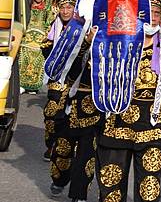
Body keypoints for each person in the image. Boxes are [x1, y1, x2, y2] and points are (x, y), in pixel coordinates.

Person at [95, 0, 161, 202]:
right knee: (111, 183)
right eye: (148, 13)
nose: (153, 17)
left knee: (149, 187)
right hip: (117, 120)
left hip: (153, 122)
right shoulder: (119, 41)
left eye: (157, 13)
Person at [49, 25, 100, 202]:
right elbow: (68, 67)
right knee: (63, 150)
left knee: (86, 155)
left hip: (95, 105)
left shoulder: (113, 37)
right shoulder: (76, 31)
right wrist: (86, 42)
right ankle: (59, 180)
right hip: (71, 101)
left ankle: (79, 195)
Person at [41, 0, 76, 162]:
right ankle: (51, 144)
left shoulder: (79, 28)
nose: (66, 11)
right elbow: (45, 46)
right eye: (63, 7)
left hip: (74, 80)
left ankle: (64, 148)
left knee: (69, 117)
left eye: (69, 7)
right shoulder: (54, 27)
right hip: (57, 78)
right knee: (51, 112)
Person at [19, 0, 53, 94]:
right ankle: (22, 84)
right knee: (24, 61)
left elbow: (49, 22)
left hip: (39, 40)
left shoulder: (47, 8)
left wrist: (46, 36)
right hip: (26, 38)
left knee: (37, 62)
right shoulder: (26, 7)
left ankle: (33, 87)